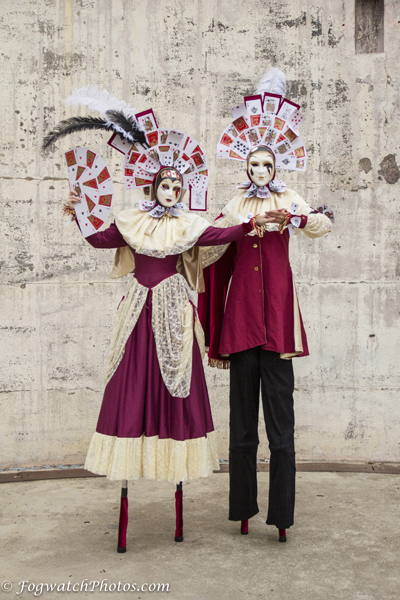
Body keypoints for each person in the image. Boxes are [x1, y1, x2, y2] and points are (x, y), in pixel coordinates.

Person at [198, 69, 333, 543]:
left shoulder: (288, 199)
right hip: (240, 326)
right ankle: (242, 509)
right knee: (241, 429)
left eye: (265, 166)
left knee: (281, 427)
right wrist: (238, 228)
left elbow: (320, 224)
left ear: (275, 169)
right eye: (253, 166)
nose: (259, 172)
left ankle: (281, 517)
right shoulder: (235, 204)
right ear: (245, 168)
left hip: (277, 325)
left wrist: (292, 216)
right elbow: (208, 242)